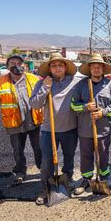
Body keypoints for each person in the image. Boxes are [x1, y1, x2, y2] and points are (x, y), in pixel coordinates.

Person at [0, 54, 43, 185]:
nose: (16, 65)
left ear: (24, 65)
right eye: (12, 63)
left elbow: (48, 92)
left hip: (35, 121)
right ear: (7, 67)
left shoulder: (35, 79)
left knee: (40, 148)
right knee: (18, 149)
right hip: (13, 122)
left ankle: (44, 170)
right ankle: (20, 172)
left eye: (19, 62)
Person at [29, 53, 79, 205]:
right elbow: (35, 104)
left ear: (65, 67)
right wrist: (45, 87)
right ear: (49, 68)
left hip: (70, 129)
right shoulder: (43, 83)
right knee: (47, 161)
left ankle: (68, 178)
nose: (57, 68)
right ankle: (46, 188)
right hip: (48, 130)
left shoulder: (75, 82)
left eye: (60, 65)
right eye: (54, 65)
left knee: (69, 156)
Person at [71, 53, 111, 195]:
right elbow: (73, 105)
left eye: (99, 67)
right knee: (86, 156)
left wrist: (103, 112)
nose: (97, 69)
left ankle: (103, 178)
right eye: (94, 67)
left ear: (103, 69)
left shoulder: (110, 84)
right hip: (85, 129)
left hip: (103, 129)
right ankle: (86, 179)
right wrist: (86, 107)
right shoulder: (81, 85)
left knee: (103, 155)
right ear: (90, 69)